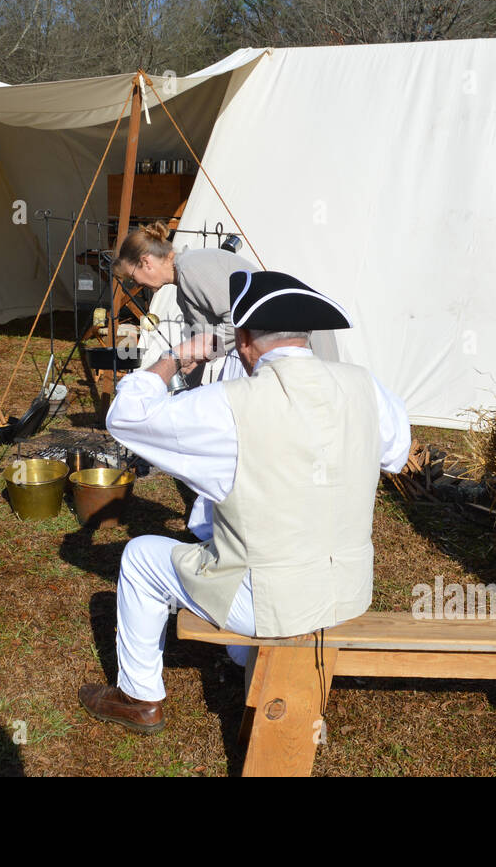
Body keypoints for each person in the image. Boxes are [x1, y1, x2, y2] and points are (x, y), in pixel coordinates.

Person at [79, 270, 411, 733]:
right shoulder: (364, 385)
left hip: (274, 602)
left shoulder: (229, 405)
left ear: (246, 338)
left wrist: (174, 358)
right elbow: (396, 453)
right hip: (349, 589)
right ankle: (241, 653)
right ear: (305, 336)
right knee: (235, 532)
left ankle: (139, 697)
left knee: (139, 556)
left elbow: (127, 416)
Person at [115, 221, 257, 384]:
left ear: (146, 262)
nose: (137, 283)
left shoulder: (191, 269)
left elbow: (239, 321)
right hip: (248, 351)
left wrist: (195, 353)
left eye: (133, 277)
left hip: (264, 348)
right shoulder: (182, 290)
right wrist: (190, 369)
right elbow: (202, 339)